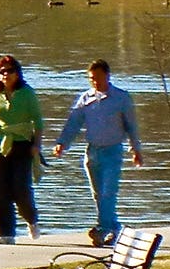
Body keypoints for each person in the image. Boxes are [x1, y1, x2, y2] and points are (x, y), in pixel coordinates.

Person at [47, 59, 144, 243]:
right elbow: (73, 123)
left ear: (107, 76)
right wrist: (62, 143)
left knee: (109, 192)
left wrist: (135, 150)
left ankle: (103, 228)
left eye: (98, 77)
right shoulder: (86, 98)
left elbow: (132, 126)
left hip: (113, 151)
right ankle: (114, 228)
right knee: (98, 193)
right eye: (91, 78)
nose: (95, 82)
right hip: (92, 152)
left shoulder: (121, 98)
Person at [0, 55, 43, 240]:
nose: (6, 75)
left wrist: (37, 145)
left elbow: (37, 121)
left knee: (20, 189)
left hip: (23, 144)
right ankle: (6, 234)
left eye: (10, 71)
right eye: (2, 71)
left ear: (17, 73)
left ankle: (31, 220)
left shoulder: (27, 93)